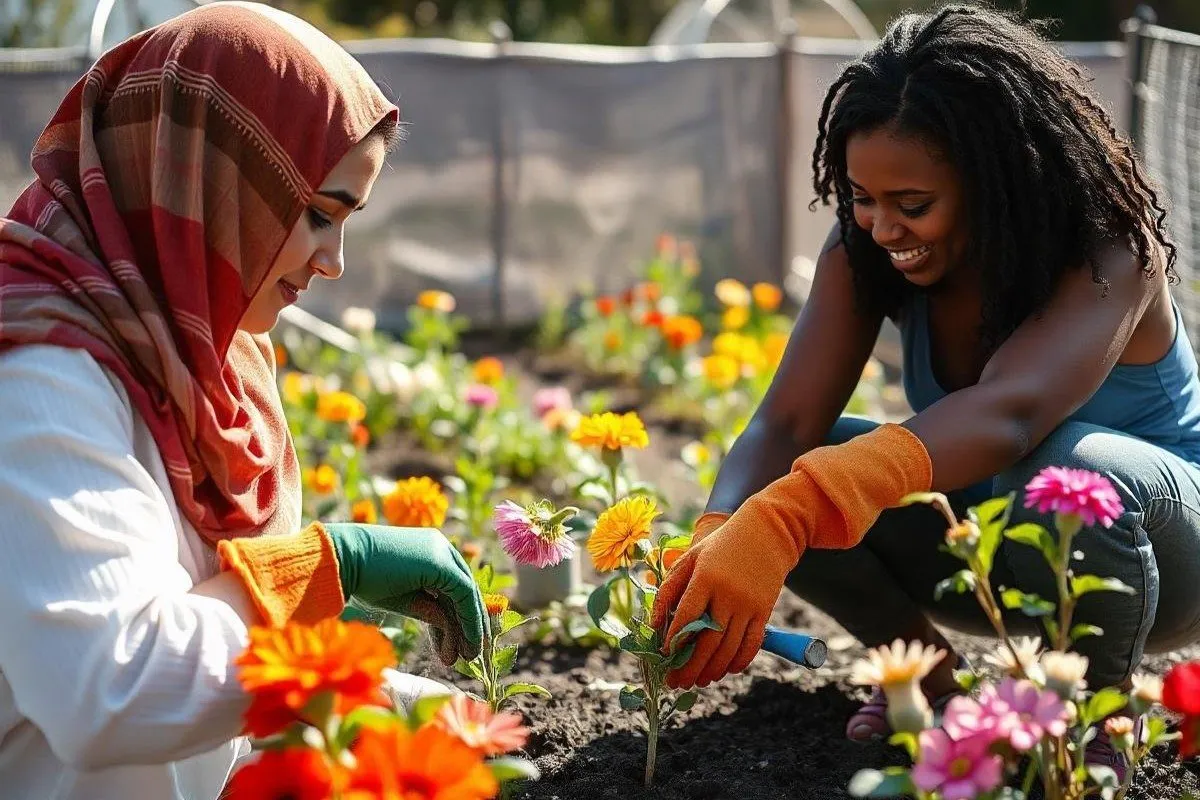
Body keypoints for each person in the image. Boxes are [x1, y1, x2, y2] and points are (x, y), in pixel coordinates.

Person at [652, 3, 1200, 777]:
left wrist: (797, 505)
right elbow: (786, 421)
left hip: (1162, 552)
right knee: (795, 469)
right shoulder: (867, 251)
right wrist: (719, 533)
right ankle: (928, 684)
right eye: (862, 198)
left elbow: (1011, 414)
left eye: (913, 205)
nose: (881, 227)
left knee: (1074, 468)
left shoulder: (1108, 249)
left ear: (999, 180)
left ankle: (1087, 730)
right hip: (991, 538)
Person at [0, 4, 485, 799]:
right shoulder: (40, 379)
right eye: (319, 214)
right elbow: (109, 689)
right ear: (220, 176)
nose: (333, 261)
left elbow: (207, 667)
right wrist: (324, 566)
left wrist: (385, 706)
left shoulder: (210, 357)